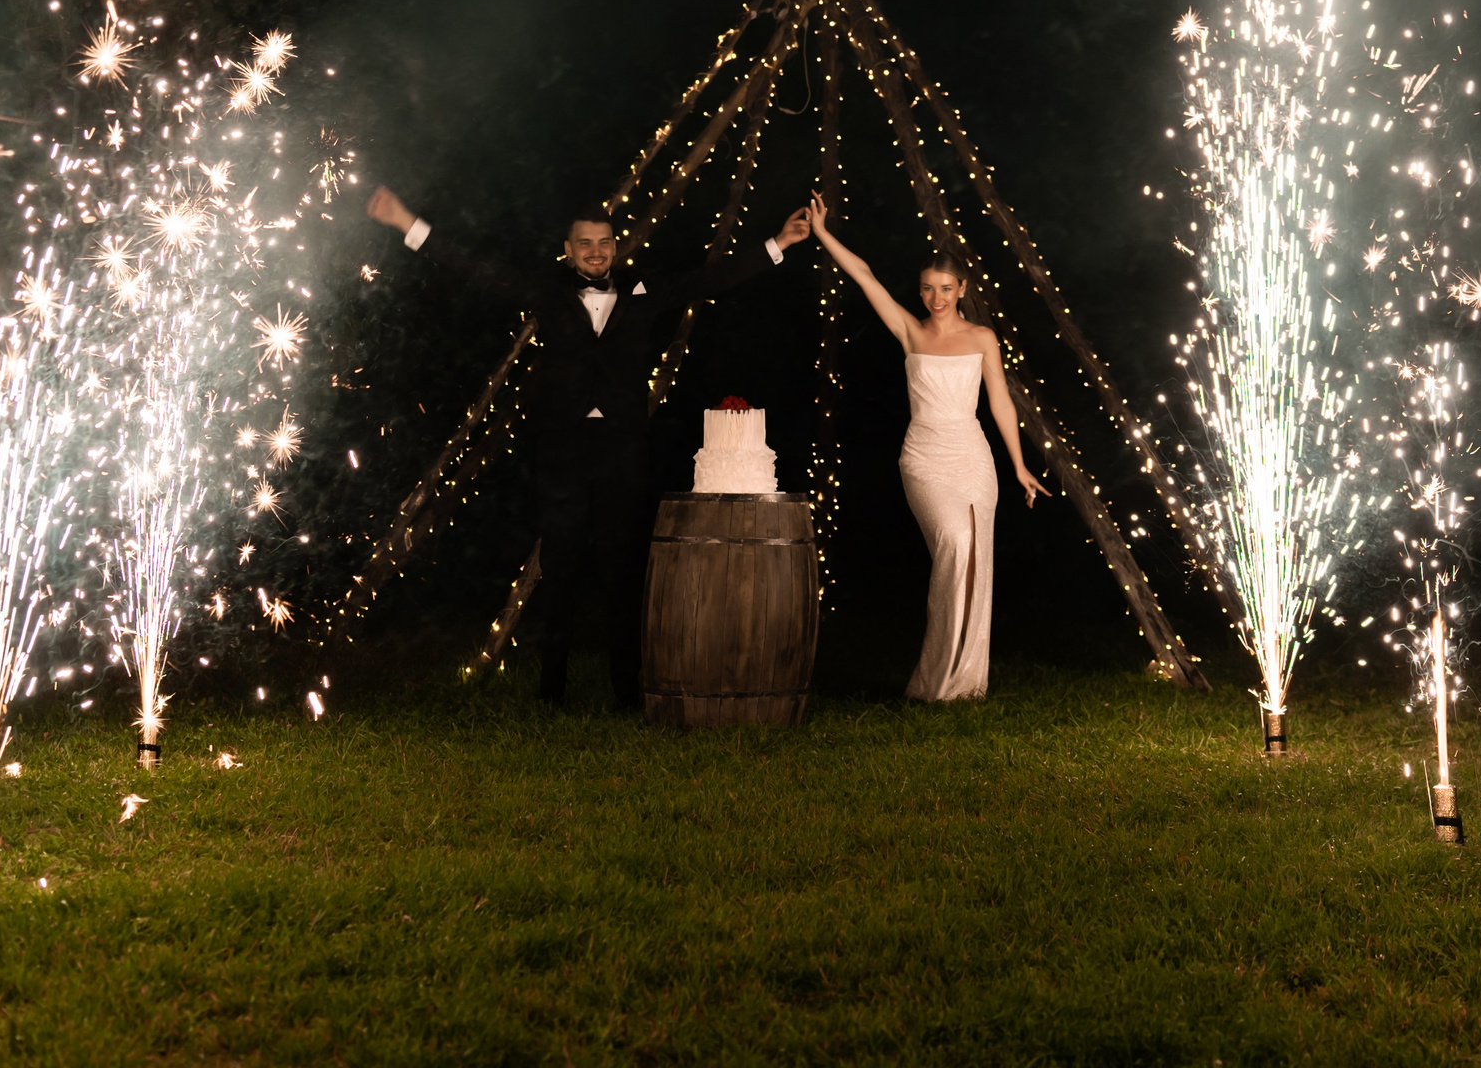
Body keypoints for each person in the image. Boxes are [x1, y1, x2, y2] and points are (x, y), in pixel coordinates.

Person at [366, 186, 812, 707]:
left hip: (624, 448)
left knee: (624, 569)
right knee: (561, 568)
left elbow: (710, 280)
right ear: (569, 248)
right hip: (563, 447)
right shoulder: (548, 290)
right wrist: (406, 223)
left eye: (603, 243)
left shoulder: (645, 288)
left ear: (615, 246)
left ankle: (629, 694)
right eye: (585, 244)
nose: (595, 252)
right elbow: (478, 269)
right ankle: (551, 694)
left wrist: (779, 241)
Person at [802, 193, 1044, 702]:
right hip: (924, 459)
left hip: (973, 457)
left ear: (962, 289)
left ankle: (965, 681)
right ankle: (934, 680)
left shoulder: (982, 337)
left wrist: (1019, 465)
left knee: (976, 557)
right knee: (954, 541)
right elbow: (865, 276)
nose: (936, 298)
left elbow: (1000, 401)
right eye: (928, 289)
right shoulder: (910, 331)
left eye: (946, 289)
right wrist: (823, 235)